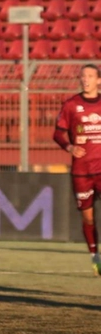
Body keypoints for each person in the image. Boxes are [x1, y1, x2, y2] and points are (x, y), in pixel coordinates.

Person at [53, 64, 101, 276]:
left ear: (99, 80)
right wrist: (70, 147)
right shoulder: (72, 105)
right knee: (88, 218)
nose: (86, 79)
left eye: (90, 76)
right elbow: (57, 134)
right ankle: (95, 256)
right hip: (81, 171)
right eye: (83, 76)